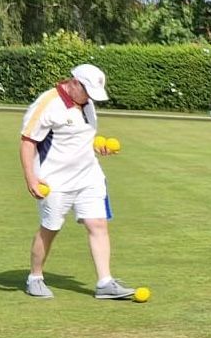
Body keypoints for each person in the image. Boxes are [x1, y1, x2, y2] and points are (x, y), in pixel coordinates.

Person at [20, 63, 136, 299]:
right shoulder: (48, 103)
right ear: (74, 83)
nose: (90, 99)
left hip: (89, 176)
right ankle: (35, 277)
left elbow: (82, 137)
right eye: (87, 92)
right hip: (54, 180)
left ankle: (105, 282)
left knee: (99, 225)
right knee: (50, 228)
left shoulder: (88, 103)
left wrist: (98, 146)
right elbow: (27, 141)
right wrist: (31, 178)